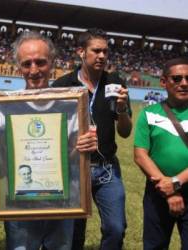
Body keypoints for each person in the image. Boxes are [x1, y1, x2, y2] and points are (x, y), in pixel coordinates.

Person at [0, 31, 97, 250]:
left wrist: (89, 145)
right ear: (18, 66)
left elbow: (78, 155)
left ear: (53, 64)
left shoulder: (73, 104)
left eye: (41, 62)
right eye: (27, 63)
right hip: (20, 204)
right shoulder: (1, 107)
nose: (34, 70)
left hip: (62, 203)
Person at [52, 28, 132, 250]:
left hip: (107, 169)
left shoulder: (115, 82)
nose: (102, 56)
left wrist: (123, 110)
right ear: (81, 52)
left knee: (116, 228)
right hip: (74, 169)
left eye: (106, 52)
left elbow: (125, 132)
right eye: (96, 51)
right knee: (74, 233)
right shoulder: (62, 85)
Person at [134, 57, 188, 249]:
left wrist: (175, 183)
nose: (184, 83)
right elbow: (140, 155)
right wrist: (167, 190)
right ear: (164, 82)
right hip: (158, 193)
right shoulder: (149, 113)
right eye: (177, 78)